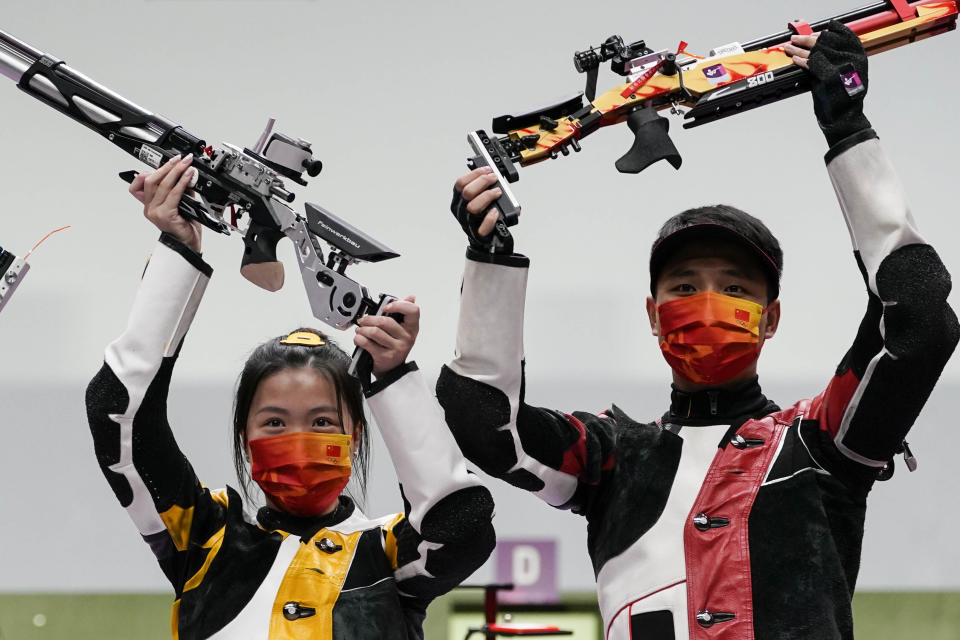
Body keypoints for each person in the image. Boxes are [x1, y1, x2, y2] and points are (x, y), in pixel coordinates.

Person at [437, 23, 958, 640]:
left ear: (772, 318)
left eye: (736, 289)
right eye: (684, 287)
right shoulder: (611, 461)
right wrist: (490, 260)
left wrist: (848, 129)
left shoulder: (821, 444)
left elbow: (921, 321)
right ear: (653, 314)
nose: (708, 303)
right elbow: (484, 422)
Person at [85, 156, 495, 639]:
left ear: (356, 435)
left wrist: (392, 378)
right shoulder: (204, 540)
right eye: (275, 423)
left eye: (322, 422)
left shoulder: (390, 555)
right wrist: (179, 251)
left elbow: (460, 525)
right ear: (244, 434)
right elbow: (117, 414)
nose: (299, 440)